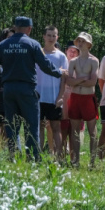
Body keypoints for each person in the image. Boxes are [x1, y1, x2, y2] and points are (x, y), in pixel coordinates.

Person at [0, 16, 65, 161]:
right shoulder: (32, 44)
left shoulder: (3, 44)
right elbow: (44, 64)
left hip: (9, 89)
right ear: (29, 29)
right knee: (31, 124)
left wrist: (3, 78)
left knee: (11, 124)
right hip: (26, 88)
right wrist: (59, 72)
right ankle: (33, 157)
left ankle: (13, 156)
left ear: (15, 27)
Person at [66, 32, 99, 168]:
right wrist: (82, 79)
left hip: (88, 98)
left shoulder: (94, 60)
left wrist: (76, 81)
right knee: (74, 130)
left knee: (92, 131)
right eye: (79, 40)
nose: (80, 43)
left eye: (83, 41)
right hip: (75, 98)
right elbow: (68, 81)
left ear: (89, 44)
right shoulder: (73, 61)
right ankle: (76, 160)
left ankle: (92, 162)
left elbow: (93, 82)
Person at [36, 26, 68, 158]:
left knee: (55, 127)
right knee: (39, 127)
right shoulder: (38, 54)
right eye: (49, 35)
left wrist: (61, 97)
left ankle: (59, 156)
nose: (51, 38)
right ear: (43, 36)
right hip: (38, 97)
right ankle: (38, 156)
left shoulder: (61, 56)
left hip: (54, 98)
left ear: (57, 37)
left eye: (54, 36)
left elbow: (64, 78)